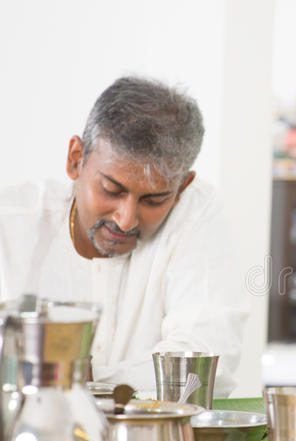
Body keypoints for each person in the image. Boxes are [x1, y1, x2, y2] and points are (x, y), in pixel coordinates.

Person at [0, 76, 245, 394]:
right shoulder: (10, 222)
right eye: (111, 190)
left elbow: (207, 364)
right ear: (76, 159)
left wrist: (73, 376)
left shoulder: (196, 212)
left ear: (182, 187)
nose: (126, 219)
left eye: (154, 200)